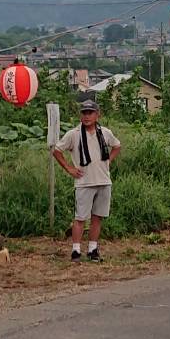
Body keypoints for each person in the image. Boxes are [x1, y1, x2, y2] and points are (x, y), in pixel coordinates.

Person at [51, 100, 122, 262]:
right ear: (80, 115)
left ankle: (92, 249)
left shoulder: (104, 132)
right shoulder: (74, 134)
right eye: (84, 113)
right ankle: (76, 250)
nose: (87, 116)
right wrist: (69, 168)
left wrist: (109, 160)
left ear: (97, 115)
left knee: (97, 217)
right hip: (84, 182)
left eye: (90, 113)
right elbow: (57, 150)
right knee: (80, 218)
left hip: (103, 181)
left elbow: (117, 146)